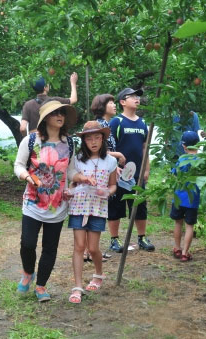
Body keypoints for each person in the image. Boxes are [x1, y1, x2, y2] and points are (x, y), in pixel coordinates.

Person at [13, 100, 93, 302]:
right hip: (33, 202)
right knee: (28, 243)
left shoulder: (70, 143)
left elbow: (71, 170)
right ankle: (27, 272)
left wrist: (80, 178)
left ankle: (41, 286)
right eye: (55, 112)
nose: (60, 116)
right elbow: (19, 165)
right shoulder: (31, 141)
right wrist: (28, 177)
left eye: (62, 113)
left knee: (50, 248)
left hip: (57, 205)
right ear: (45, 117)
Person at [67, 121, 117, 304]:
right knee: (79, 246)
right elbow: (72, 178)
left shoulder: (111, 161)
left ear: (103, 139)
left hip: (98, 207)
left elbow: (113, 185)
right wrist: (75, 184)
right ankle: (77, 287)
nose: (93, 142)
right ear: (84, 141)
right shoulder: (78, 158)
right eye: (89, 138)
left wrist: (108, 192)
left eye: (97, 138)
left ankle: (98, 274)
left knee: (93, 248)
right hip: (79, 205)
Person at [107, 87, 154, 252]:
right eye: (132, 96)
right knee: (116, 207)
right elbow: (108, 147)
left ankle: (141, 238)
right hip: (119, 173)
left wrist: (146, 169)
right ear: (122, 102)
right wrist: (113, 168)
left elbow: (144, 147)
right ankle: (114, 240)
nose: (137, 99)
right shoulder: (116, 122)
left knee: (140, 206)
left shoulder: (142, 123)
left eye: (138, 96)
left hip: (137, 174)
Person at [170, 131, 201, 262]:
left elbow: (174, 174)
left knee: (178, 222)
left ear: (184, 146)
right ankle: (185, 252)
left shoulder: (182, 159)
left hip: (178, 197)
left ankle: (177, 248)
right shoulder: (201, 161)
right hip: (192, 200)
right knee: (189, 226)